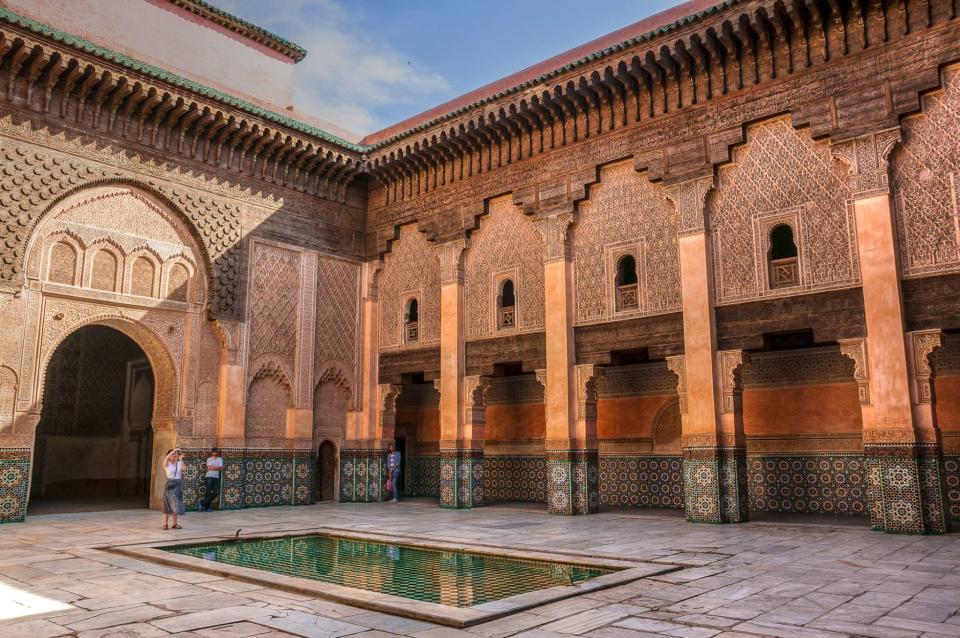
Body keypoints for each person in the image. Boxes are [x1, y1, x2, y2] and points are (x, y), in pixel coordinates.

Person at [162, 448, 185, 529]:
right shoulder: (167, 464)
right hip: (169, 484)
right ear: (169, 456)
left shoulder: (179, 463)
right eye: (173, 455)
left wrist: (181, 459)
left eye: (175, 455)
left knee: (176, 504)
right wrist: (174, 450)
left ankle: (174, 524)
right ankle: (165, 524)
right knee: (167, 504)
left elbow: (184, 468)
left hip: (177, 484)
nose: (174, 456)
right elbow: (166, 457)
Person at [200, 447, 222, 512]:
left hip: (216, 477)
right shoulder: (209, 459)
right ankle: (208, 507)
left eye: (216, 452)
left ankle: (202, 502)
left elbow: (221, 468)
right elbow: (209, 467)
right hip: (209, 476)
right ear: (212, 452)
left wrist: (213, 468)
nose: (215, 453)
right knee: (208, 492)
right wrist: (217, 468)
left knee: (216, 493)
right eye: (214, 452)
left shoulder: (220, 459)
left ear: (217, 452)